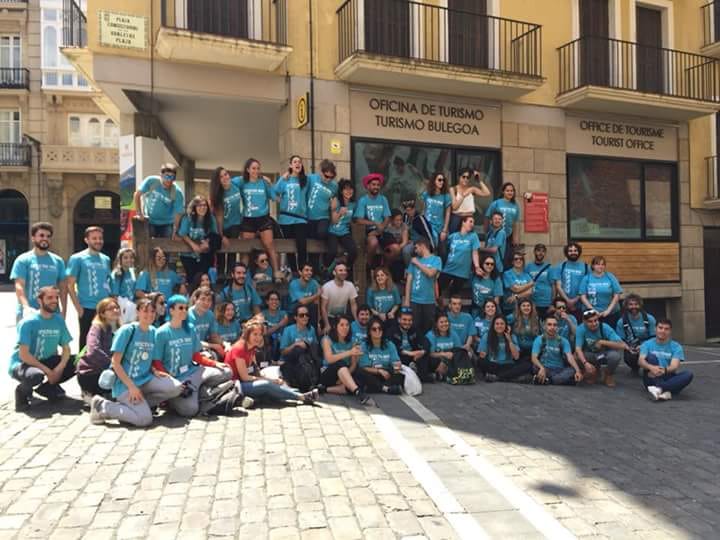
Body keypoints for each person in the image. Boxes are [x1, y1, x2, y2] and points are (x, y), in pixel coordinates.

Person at [88, 298, 184, 427]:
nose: (149, 314)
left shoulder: (154, 332)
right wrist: (132, 387)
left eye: (152, 311)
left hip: (145, 379)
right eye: (145, 311)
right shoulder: (127, 330)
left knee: (176, 388)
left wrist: (155, 370)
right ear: (137, 312)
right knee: (145, 420)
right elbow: (115, 363)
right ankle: (102, 406)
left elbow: (148, 357)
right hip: (125, 384)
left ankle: (133, 408)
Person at [153, 295, 233, 417]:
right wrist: (171, 382)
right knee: (190, 410)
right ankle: (203, 396)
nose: (184, 311)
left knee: (227, 371)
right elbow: (157, 362)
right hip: (176, 379)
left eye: (186, 308)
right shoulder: (161, 332)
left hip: (194, 373)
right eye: (180, 308)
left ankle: (201, 392)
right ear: (171, 310)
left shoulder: (190, 328)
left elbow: (196, 356)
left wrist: (215, 363)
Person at [10, 286, 76, 411]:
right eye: (49, 298)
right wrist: (48, 371)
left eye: (56, 298)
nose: (54, 301)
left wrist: (59, 368)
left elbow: (66, 348)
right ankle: (21, 393)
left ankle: (47, 388)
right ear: (39, 301)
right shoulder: (28, 322)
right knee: (36, 376)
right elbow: (24, 355)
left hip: (46, 360)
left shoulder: (58, 320)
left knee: (79, 361)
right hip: (23, 364)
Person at [225, 317, 318, 404]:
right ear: (247, 334)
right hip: (236, 385)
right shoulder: (239, 348)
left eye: (260, 334)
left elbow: (256, 372)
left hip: (247, 381)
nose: (258, 338)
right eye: (255, 334)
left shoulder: (252, 348)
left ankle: (299, 394)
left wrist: (273, 380)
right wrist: (268, 381)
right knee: (266, 384)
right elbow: (244, 377)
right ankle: (301, 397)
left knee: (277, 382)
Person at [235, 158, 281, 281]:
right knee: (246, 250)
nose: (256, 171)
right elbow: (229, 184)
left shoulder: (263, 182)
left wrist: (271, 183)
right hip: (248, 219)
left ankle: (276, 273)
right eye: (253, 168)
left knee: (270, 246)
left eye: (258, 168)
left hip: (263, 218)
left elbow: (275, 197)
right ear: (248, 169)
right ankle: (243, 276)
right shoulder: (242, 182)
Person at [10, 222, 67, 321]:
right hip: (28, 313)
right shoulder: (23, 260)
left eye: (48, 236)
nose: (45, 238)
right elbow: (19, 286)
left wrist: (64, 311)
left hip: (52, 313)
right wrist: (26, 307)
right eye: (41, 235)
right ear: (33, 238)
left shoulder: (58, 261)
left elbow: (62, 288)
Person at [67, 226, 112, 350]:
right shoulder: (77, 258)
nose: (98, 241)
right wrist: (78, 308)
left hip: (104, 308)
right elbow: (70, 285)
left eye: (100, 238)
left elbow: (107, 282)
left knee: (104, 341)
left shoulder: (106, 259)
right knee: (86, 343)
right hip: (86, 307)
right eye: (94, 238)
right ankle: (83, 362)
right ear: (86, 240)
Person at [76, 297, 120, 399]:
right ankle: (91, 394)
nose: (115, 310)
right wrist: (113, 364)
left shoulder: (120, 329)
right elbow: (93, 351)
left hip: (109, 370)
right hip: (91, 373)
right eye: (111, 309)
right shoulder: (97, 327)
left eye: (117, 307)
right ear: (102, 314)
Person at [639, 319, 693, 401]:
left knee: (688, 374)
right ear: (655, 329)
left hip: (667, 374)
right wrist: (651, 368)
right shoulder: (646, 344)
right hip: (650, 376)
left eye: (666, 329)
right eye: (660, 328)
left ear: (670, 331)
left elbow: (674, 366)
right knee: (651, 357)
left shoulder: (676, 346)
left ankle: (660, 389)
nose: (663, 331)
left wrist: (663, 370)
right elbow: (640, 361)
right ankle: (667, 389)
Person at [318, 315, 369, 403]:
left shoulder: (353, 341)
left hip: (344, 374)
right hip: (328, 372)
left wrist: (344, 377)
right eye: (341, 325)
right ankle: (357, 392)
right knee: (340, 363)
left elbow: (353, 365)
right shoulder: (327, 339)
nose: (345, 328)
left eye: (347, 325)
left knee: (359, 378)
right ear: (335, 327)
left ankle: (325, 389)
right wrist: (349, 352)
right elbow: (329, 359)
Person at [275, 155, 311, 273]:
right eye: (295, 162)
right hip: (285, 218)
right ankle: (294, 271)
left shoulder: (306, 180)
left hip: (301, 219)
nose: (297, 164)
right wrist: (279, 199)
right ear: (290, 165)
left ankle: (302, 270)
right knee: (289, 247)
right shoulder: (285, 179)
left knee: (302, 246)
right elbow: (274, 192)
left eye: (299, 162)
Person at [575, 309, 628, 387]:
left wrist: (602, 342)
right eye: (590, 321)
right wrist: (585, 363)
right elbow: (578, 348)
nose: (594, 324)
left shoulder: (605, 327)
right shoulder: (580, 329)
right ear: (584, 321)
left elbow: (622, 345)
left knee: (615, 356)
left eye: (596, 320)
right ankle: (594, 371)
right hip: (590, 354)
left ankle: (608, 374)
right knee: (576, 355)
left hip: (604, 354)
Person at [134, 163, 185, 238]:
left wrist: (175, 230)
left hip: (167, 223)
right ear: (161, 175)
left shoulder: (177, 192)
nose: (169, 180)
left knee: (166, 243)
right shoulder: (151, 181)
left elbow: (178, 213)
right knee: (145, 242)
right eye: (167, 176)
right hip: (149, 220)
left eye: (172, 177)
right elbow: (137, 195)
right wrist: (139, 213)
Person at [403, 238, 442, 337]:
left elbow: (431, 273)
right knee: (414, 327)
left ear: (422, 246)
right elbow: (409, 281)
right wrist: (407, 300)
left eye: (416, 248)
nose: (415, 251)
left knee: (428, 328)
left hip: (429, 300)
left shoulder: (436, 259)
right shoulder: (414, 261)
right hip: (414, 300)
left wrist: (417, 263)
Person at [209, 166, 243, 276]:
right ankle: (220, 277)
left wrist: (264, 178)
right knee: (221, 255)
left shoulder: (235, 184)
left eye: (226, 174)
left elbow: (249, 176)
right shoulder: (218, 194)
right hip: (222, 226)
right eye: (221, 177)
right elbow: (219, 218)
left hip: (235, 224)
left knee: (232, 253)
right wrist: (221, 236)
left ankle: (230, 276)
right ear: (217, 180)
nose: (225, 177)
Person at [356, 317, 404, 394]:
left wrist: (397, 365)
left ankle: (375, 387)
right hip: (372, 373)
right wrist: (379, 371)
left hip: (386, 373)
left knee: (399, 375)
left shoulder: (390, 344)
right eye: (374, 329)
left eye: (380, 328)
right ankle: (385, 388)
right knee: (360, 372)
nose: (377, 331)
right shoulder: (364, 346)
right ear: (369, 331)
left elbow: (395, 362)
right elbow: (364, 367)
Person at [530, 315, 583, 385]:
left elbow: (570, 357)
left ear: (557, 327)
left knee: (572, 370)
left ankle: (546, 380)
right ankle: (554, 380)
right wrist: (542, 368)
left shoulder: (563, 341)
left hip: (559, 370)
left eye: (555, 325)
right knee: (534, 367)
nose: (552, 327)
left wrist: (578, 371)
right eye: (549, 325)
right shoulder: (539, 339)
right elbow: (533, 358)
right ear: (544, 327)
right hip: (544, 367)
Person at [477, 315, 531, 383]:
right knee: (480, 361)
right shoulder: (487, 335)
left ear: (506, 326)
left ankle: (498, 377)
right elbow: (482, 356)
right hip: (494, 364)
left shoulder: (512, 336)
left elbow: (516, 357)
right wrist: (483, 349)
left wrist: (509, 340)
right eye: (497, 324)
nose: (499, 326)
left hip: (508, 365)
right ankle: (511, 378)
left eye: (502, 324)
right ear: (493, 325)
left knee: (527, 365)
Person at [178, 195, 219, 284]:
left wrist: (207, 243)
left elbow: (214, 234)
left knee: (203, 277)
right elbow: (182, 234)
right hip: (188, 255)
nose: (202, 208)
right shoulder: (188, 218)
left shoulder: (211, 218)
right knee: (192, 279)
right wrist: (193, 245)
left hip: (204, 254)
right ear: (194, 207)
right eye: (199, 205)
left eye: (204, 205)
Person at [354, 173, 391, 264]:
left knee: (396, 248)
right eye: (373, 184)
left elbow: (387, 218)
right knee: (373, 242)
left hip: (382, 230)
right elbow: (359, 220)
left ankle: (384, 267)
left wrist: (381, 228)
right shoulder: (363, 200)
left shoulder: (383, 199)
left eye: (378, 185)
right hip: (368, 231)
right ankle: (368, 265)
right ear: (368, 186)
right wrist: (375, 223)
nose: (376, 187)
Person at [439, 215, 481, 296]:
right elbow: (444, 247)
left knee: (454, 295)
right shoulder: (453, 236)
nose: (472, 224)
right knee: (438, 289)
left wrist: (477, 266)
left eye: (473, 223)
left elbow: (475, 253)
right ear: (463, 222)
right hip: (448, 268)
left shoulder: (473, 236)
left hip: (462, 272)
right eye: (470, 221)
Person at [616, 294, 657, 375]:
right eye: (630, 304)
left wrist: (643, 346)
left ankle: (649, 368)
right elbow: (621, 340)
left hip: (648, 346)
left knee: (652, 356)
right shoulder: (621, 322)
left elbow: (655, 338)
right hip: (631, 347)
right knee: (629, 357)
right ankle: (635, 368)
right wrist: (628, 348)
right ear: (626, 306)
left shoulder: (649, 319)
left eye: (636, 304)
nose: (633, 306)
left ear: (640, 305)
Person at [579, 255, 623, 328]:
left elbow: (617, 294)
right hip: (591, 315)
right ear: (593, 266)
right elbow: (582, 296)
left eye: (602, 264)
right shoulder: (586, 278)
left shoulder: (610, 276)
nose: (600, 266)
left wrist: (608, 311)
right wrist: (593, 311)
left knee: (610, 333)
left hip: (611, 313)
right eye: (598, 264)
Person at [387, 307, 430, 381]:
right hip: (400, 356)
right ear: (399, 320)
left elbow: (426, 342)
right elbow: (390, 346)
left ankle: (419, 374)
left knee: (428, 357)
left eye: (409, 320)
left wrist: (422, 352)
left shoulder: (415, 329)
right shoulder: (392, 330)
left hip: (414, 357)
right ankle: (420, 376)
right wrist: (408, 353)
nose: (407, 322)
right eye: (404, 320)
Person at [413, 172, 451, 252]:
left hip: (439, 227)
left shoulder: (446, 196)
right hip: (427, 226)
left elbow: (448, 213)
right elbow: (419, 206)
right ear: (434, 181)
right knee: (429, 248)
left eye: (443, 180)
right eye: (439, 180)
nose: (442, 182)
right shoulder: (427, 194)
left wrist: (444, 230)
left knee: (441, 250)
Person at [484, 182, 520, 266]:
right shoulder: (496, 203)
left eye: (512, 191)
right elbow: (487, 216)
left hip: (508, 236)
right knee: (495, 257)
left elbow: (515, 222)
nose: (510, 192)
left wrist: (515, 237)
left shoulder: (515, 205)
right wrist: (486, 231)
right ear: (503, 192)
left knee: (507, 258)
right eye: (507, 190)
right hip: (496, 235)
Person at [551, 242, 589, 320]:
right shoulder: (560, 266)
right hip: (563, 306)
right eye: (570, 251)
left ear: (579, 252)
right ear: (566, 252)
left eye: (575, 250)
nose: (573, 252)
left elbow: (586, 287)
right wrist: (568, 301)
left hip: (581, 306)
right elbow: (558, 286)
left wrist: (574, 300)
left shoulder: (586, 267)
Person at [327, 178, 358, 271]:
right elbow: (333, 221)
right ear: (341, 191)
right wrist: (340, 213)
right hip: (332, 231)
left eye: (350, 189)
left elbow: (353, 219)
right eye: (346, 189)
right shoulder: (336, 201)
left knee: (353, 250)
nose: (348, 191)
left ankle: (346, 268)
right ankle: (325, 269)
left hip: (345, 232)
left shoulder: (353, 204)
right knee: (332, 251)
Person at [448, 167, 491, 233]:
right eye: (463, 177)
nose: (465, 179)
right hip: (457, 218)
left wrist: (479, 180)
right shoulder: (453, 189)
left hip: (469, 218)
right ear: (459, 177)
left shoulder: (472, 189)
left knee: (469, 238)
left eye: (468, 177)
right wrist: (463, 196)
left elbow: (487, 193)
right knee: (454, 238)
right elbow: (454, 207)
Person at [320, 262, 359, 333]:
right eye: (340, 270)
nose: (343, 272)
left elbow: (353, 304)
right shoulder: (327, 286)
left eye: (345, 270)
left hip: (343, 317)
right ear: (334, 272)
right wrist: (327, 324)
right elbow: (323, 307)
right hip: (329, 318)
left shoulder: (350, 285)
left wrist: (357, 321)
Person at [423, 312, 461, 382]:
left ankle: (442, 374)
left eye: (446, 321)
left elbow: (459, 350)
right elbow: (430, 353)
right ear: (436, 324)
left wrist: (447, 359)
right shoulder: (430, 335)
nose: (444, 324)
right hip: (436, 360)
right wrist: (443, 354)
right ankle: (442, 373)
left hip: (450, 360)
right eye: (441, 322)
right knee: (431, 360)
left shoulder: (453, 333)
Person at [307, 159, 338, 243]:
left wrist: (335, 204)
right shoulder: (311, 178)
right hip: (309, 216)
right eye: (326, 176)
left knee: (322, 233)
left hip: (324, 217)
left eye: (331, 177)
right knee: (311, 240)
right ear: (321, 172)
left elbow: (336, 197)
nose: (328, 179)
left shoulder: (334, 186)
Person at [189, 287, 225, 359]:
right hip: (191, 349)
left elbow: (214, 336)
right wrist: (214, 346)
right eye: (203, 299)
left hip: (205, 347)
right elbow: (193, 342)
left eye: (209, 300)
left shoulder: (210, 314)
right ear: (195, 299)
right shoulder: (189, 316)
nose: (206, 303)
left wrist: (224, 344)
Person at [502, 252, 534, 322]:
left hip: (524, 308)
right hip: (510, 308)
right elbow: (515, 289)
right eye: (516, 259)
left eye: (521, 259)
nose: (518, 260)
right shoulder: (507, 274)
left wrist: (516, 296)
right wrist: (530, 284)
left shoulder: (526, 275)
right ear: (512, 262)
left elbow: (530, 291)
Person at [525, 243, 553, 319]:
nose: (540, 253)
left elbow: (553, 286)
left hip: (547, 302)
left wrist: (552, 303)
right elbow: (525, 285)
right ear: (534, 252)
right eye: (538, 250)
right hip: (533, 302)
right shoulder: (528, 267)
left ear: (545, 253)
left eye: (543, 251)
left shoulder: (549, 267)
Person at [261, 290, 289, 361]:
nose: (274, 302)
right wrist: (279, 324)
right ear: (267, 302)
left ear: (279, 302)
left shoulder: (284, 313)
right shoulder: (263, 315)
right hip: (267, 342)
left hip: (280, 340)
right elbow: (265, 333)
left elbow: (285, 331)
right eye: (272, 299)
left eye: (276, 300)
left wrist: (272, 329)